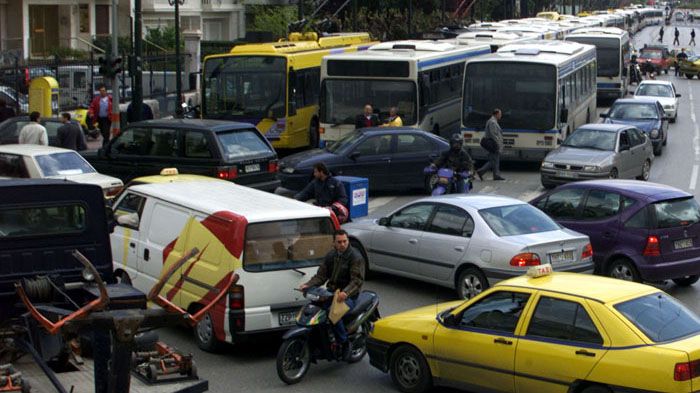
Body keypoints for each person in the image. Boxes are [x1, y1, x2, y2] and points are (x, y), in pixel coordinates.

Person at [299, 229, 364, 360]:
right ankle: (319, 343)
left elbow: (356, 280)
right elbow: (321, 276)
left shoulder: (355, 257)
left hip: (349, 295)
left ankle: (344, 342)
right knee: (314, 310)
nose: (342, 244)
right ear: (334, 243)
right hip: (330, 293)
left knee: (332, 312)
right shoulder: (330, 256)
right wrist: (308, 285)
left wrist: (346, 292)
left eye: (345, 241)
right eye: (339, 242)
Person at [476, 108, 505, 181]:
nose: (501, 116)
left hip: (493, 144)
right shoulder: (492, 122)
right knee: (493, 160)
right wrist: (498, 144)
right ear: (496, 114)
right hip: (493, 144)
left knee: (495, 159)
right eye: (500, 114)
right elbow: (493, 134)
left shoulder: (493, 121)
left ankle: (496, 175)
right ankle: (481, 171)